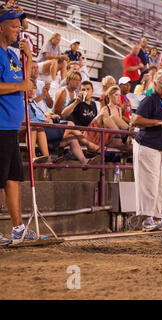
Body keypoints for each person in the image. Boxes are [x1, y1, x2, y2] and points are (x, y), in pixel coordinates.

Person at [0, 9, 36, 243]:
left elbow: (27, 80)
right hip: (0, 125)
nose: (18, 31)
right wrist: (19, 86)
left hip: (11, 127)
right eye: (14, 26)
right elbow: (17, 84)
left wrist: (29, 57)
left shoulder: (13, 54)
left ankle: (18, 228)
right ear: (1, 27)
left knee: (12, 177)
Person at [131, 69, 162, 232]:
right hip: (148, 145)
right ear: (156, 84)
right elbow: (136, 120)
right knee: (149, 182)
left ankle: (159, 217)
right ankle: (147, 219)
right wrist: (157, 122)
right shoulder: (150, 100)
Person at [83, 85, 131, 152]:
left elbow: (118, 125)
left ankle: (130, 132)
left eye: (119, 95)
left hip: (111, 136)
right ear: (110, 96)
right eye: (116, 95)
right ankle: (125, 134)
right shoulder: (105, 109)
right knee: (106, 115)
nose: (118, 98)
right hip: (97, 135)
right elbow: (100, 125)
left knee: (114, 117)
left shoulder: (118, 109)